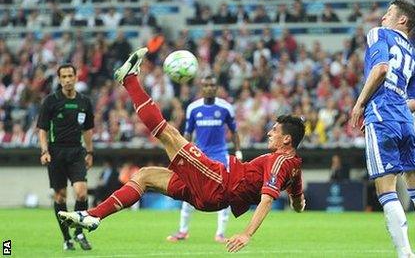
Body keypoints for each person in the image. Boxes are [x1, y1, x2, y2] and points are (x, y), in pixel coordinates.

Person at [58, 47, 306, 253]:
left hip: (217, 181)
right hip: (213, 190)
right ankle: (93, 216)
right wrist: (299, 202)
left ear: (286, 139)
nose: (268, 133)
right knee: (145, 176)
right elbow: (296, 203)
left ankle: (129, 80)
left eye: (274, 131)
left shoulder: (279, 162)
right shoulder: (293, 167)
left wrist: (246, 234)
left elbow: (266, 200)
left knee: (169, 134)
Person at [350, 0, 415, 258]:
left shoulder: (379, 34)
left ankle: (405, 254)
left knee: (386, 190)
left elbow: (380, 68)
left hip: (382, 114)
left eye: (388, 13)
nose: (382, 17)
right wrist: (397, 108)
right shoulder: (412, 53)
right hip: (404, 118)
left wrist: (360, 105)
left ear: (402, 20)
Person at [166, 74, 242, 243]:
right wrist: (183, 151)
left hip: (219, 156)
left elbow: (234, 131)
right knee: (189, 190)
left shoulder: (226, 108)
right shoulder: (193, 108)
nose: (209, 88)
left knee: (224, 194)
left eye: (212, 85)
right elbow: (187, 133)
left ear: (216, 88)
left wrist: (238, 153)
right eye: (206, 85)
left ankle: (220, 233)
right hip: (199, 155)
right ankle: (182, 231)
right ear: (202, 87)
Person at [37, 64, 94, 251]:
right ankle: (66, 238)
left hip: (76, 152)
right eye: (64, 76)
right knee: (61, 197)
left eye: (71, 75)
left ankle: (78, 231)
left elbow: (87, 130)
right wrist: (44, 151)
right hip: (56, 153)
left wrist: (90, 152)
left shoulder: (85, 102)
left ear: (76, 77)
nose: (68, 79)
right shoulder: (50, 101)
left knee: (81, 193)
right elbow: (43, 129)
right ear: (59, 79)